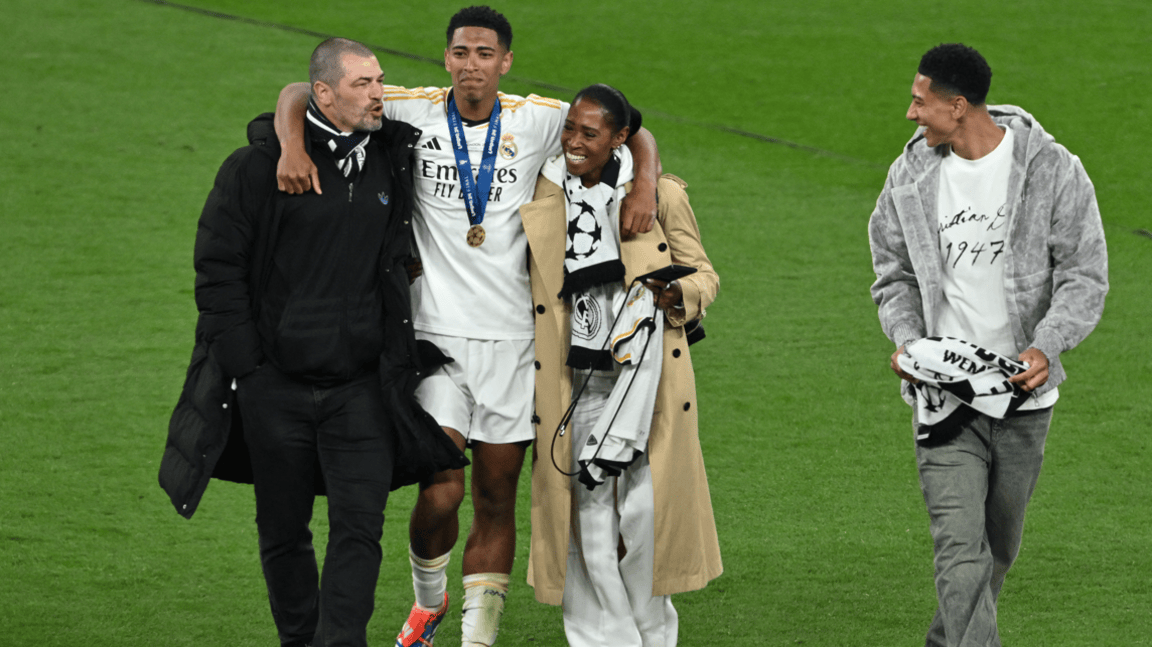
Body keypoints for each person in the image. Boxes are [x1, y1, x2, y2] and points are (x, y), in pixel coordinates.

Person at [273, 7, 662, 647]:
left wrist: (644, 184)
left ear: (505, 62)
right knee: (441, 490)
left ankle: (475, 641)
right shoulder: (413, 109)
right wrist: (292, 146)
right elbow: (298, 92)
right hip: (433, 342)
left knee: (496, 496)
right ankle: (429, 605)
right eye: (460, 52)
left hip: (515, 344)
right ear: (446, 57)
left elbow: (631, 128)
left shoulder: (538, 119)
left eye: (485, 54)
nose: (471, 65)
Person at [158, 37, 465, 647]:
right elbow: (217, 272)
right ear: (324, 94)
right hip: (276, 389)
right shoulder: (257, 169)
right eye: (362, 84)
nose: (379, 94)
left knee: (360, 530)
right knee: (283, 533)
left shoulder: (391, 156)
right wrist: (251, 370)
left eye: (380, 81)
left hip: (361, 389)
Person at [868, 43, 1108, 647]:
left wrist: (1048, 345)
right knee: (958, 548)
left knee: (996, 549)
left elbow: (1084, 274)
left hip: (1023, 399)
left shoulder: (1053, 170)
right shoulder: (909, 177)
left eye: (919, 102)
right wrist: (908, 342)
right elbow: (892, 275)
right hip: (944, 398)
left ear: (958, 106)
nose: (910, 114)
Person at [520, 84, 722, 646]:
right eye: (570, 129)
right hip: (572, 379)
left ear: (619, 139)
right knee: (584, 518)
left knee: (644, 516)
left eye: (590, 133)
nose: (574, 142)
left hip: (645, 380)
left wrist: (677, 295)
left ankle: (652, 635)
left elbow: (704, 274)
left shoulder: (659, 195)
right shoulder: (543, 185)